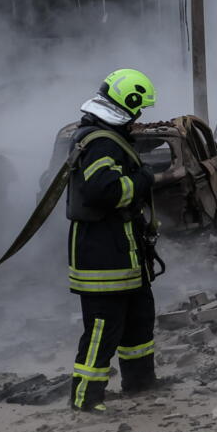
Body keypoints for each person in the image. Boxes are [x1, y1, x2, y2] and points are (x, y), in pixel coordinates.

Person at [66, 69, 161, 411]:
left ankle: (141, 384)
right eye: (139, 110)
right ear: (129, 103)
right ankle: (85, 399)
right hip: (103, 253)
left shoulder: (105, 136)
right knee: (103, 328)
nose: (139, 118)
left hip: (124, 251)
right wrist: (143, 179)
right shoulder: (102, 141)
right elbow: (103, 192)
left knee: (139, 319)